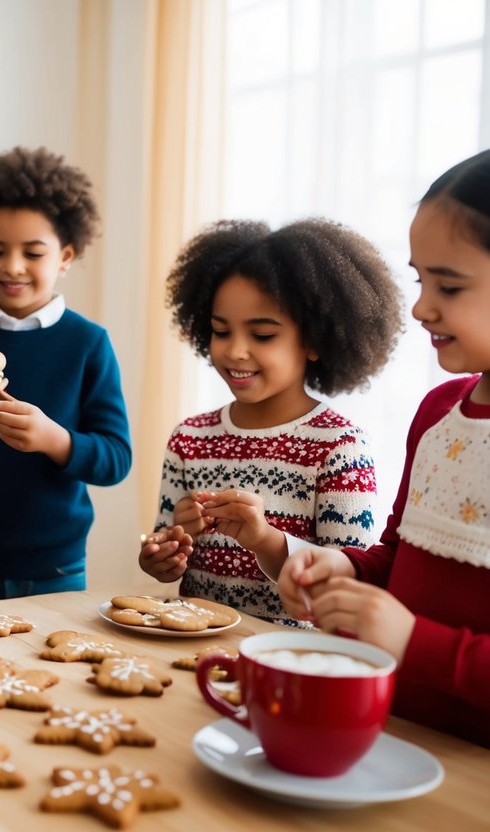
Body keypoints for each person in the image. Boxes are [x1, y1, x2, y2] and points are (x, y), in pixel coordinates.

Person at [267, 150, 490, 745]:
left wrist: (417, 643)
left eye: (449, 284)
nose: (421, 307)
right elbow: (400, 555)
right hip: (392, 736)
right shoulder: (440, 413)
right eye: (421, 279)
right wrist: (343, 569)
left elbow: (413, 625)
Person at [139, 218, 402, 624]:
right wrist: (164, 553)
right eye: (221, 331)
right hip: (193, 652)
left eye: (262, 335)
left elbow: (348, 584)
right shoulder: (189, 439)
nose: (235, 351)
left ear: (314, 340)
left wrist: (266, 541)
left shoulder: (339, 447)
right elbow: (162, 547)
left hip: (286, 662)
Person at [0, 146, 131, 602]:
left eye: (33, 253)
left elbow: (116, 457)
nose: (13, 266)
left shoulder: (87, 343)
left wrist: (54, 439)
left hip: (55, 566)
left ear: (64, 256)